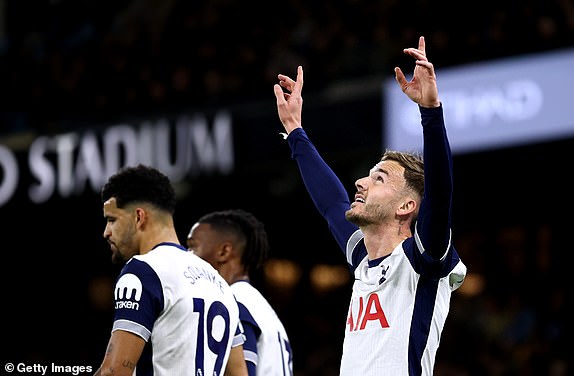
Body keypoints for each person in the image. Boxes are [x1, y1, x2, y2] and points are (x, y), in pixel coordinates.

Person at [273, 36, 467, 375]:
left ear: (407, 206)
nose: (361, 183)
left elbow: (440, 194)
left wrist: (430, 113)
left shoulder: (422, 259)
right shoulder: (363, 258)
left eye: (379, 179)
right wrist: (294, 130)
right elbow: (331, 203)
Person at [95, 164, 248, 376]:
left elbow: (114, 371)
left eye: (112, 220)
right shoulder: (221, 285)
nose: (106, 232)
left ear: (139, 217)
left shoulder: (143, 270)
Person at [186, 209, 293, 376]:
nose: (187, 255)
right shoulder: (258, 305)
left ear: (224, 251)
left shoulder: (233, 303)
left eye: (192, 246)